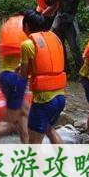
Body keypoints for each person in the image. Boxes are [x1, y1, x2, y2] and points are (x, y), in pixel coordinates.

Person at [19, 10, 67, 144]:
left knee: (33, 144)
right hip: (60, 98)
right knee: (49, 130)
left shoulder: (27, 45)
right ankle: (64, 164)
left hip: (43, 101)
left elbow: (23, 76)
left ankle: (35, 165)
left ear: (27, 25)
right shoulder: (54, 38)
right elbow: (45, 64)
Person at [0, 15, 29, 144]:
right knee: (10, 123)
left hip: (4, 76)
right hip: (16, 79)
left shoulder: (8, 32)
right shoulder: (28, 38)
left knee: (24, 112)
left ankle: (29, 150)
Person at [46, 0, 83, 73]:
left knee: (74, 48)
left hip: (70, 21)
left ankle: (82, 72)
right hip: (60, 20)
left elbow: (69, 0)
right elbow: (49, 2)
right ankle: (64, 69)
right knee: (60, 45)